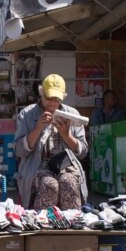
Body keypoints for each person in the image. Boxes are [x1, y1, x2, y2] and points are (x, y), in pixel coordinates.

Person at [14, 73, 89, 210]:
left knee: (69, 183)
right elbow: (19, 151)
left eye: (57, 99)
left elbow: (83, 152)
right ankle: (42, 226)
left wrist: (67, 135)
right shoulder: (27, 114)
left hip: (66, 166)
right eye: (49, 98)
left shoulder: (72, 114)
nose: (53, 103)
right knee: (49, 185)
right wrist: (38, 128)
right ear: (41, 93)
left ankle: (72, 226)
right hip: (38, 166)